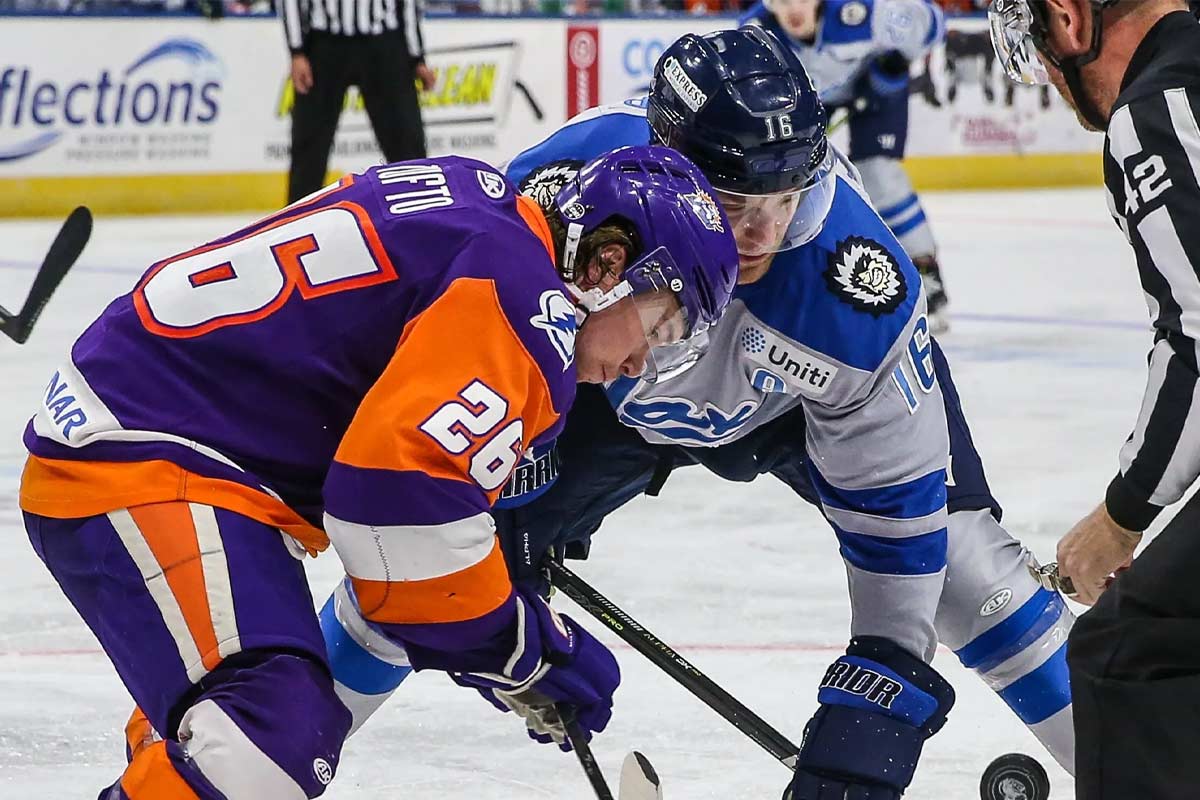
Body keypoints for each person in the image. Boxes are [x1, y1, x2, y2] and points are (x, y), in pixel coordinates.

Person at [317, 27, 1076, 799]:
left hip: (791, 409)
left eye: (785, 201)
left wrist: (877, 706)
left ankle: (1148, 767)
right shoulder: (565, 189)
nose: (762, 234)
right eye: (737, 202)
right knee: (418, 558)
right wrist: (509, 471)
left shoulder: (856, 298)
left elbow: (899, 535)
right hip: (604, 385)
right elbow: (474, 360)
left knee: (970, 577)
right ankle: (276, 749)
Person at [18, 146, 738, 798]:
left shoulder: (478, 197)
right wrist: (525, 648)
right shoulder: (530, 308)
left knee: (254, 720)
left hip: (161, 427)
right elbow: (395, 519)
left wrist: (489, 633)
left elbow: (400, 553)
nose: (645, 360)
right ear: (607, 268)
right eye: (661, 324)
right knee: (267, 742)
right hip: (147, 457)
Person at [989, 1, 1200, 797]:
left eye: (1038, 44)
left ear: (1070, 21)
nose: (1044, 70)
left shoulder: (1155, 114)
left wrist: (1121, 517)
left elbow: (1198, 337)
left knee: (1122, 652)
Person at [738, 0, 952, 332]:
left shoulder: (863, 12)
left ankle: (926, 269)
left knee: (879, 175)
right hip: (808, 105)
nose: (793, 8)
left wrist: (895, 65)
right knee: (789, 183)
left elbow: (933, 23)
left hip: (875, 94)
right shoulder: (755, 37)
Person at [280, 0, 436, 204]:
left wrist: (416, 57)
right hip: (325, 43)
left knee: (406, 140)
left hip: (384, 42)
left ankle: (422, 216)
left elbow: (409, 4)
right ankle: (296, 223)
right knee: (309, 145)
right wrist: (297, 51)